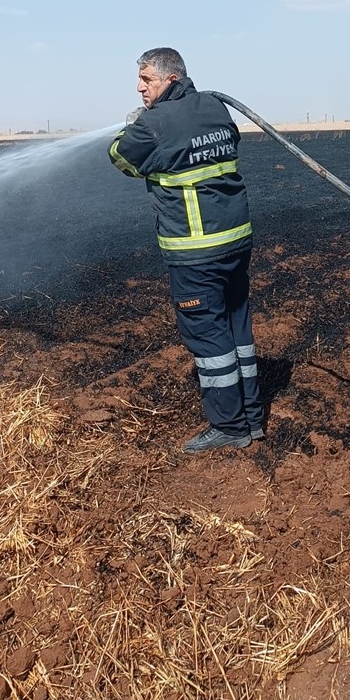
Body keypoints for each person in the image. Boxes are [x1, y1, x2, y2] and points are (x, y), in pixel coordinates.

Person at [109, 47, 265, 453]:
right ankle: (252, 416)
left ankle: (230, 427)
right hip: (235, 242)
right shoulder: (214, 108)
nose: (139, 87)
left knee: (208, 338)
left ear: (171, 79)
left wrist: (135, 127)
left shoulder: (155, 124)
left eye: (147, 79)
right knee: (237, 329)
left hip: (195, 251)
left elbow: (122, 160)